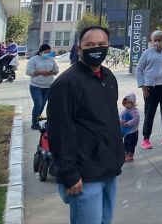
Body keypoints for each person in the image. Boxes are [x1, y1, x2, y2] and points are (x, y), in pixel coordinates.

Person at [46, 25, 125, 224]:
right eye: (90, 45)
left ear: (108, 46)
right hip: (85, 175)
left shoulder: (108, 77)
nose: (96, 48)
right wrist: (69, 175)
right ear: (79, 48)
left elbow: (110, 120)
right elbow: (59, 132)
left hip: (109, 169)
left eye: (101, 44)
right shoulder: (66, 83)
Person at [135, 30, 162, 149]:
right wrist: (142, 86)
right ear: (152, 41)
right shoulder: (146, 53)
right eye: (155, 40)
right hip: (151, 88)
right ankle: (146, 139)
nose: (157, 42)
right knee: (149, 113)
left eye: (160, 40)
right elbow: (139, 70)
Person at [26, 44, 59, 130]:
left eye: (48, 52)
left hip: (48, 86)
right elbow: (29, 72)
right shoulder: (33, 60)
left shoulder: (51, 60)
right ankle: (34, 123)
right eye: (45, 52)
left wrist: (53, 72)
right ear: (40, 52)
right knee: (38, 104)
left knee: (42, 105)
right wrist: (41, 72)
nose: (47, 54)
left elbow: (56, 69)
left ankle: (37, 118)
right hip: (36, 86)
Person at [119, 93, 140, 163]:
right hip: (127, 132)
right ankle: (125, 154)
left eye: (128, 103)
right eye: (125, 103)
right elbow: (120, 116)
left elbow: (136, 119)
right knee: (126, 143)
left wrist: (128, 123)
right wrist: (121, 121)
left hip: (133, 132)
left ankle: (130, 155)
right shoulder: (124, 110)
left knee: (132, 144)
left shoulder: (135, 111)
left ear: (133, 103)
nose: (126, 104)